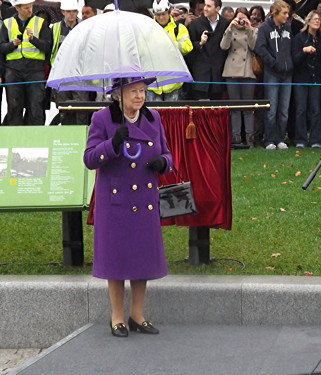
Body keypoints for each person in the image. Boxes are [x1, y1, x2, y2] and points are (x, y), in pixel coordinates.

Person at [83, 77, 173, 338]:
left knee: (141, 259)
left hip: (144, 202)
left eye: (143, 91)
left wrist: (163, 163)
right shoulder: (102, 119)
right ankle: (117, 317)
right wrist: (111, 144)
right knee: (116, 261)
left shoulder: (153, 117)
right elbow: (89, 159)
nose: (140, 96)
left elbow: (168, 154)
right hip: (116, 202)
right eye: (133, 91)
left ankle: (137, 315)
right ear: (118, 95)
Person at [0, 0, 52, 125]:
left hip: (35, 69)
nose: (30, 10)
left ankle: (37, 140)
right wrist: (12, 44)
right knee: (14, 106)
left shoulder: (41, 23)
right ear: (17, 8)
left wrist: (33, 40)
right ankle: (14, 140)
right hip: (13, 69)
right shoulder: (7, 23)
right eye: (26, 8)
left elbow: (47, 47)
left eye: (31, 7)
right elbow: (1, 48)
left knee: (36, 107)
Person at [255, 0, 293, 150]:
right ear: (275, 13)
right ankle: (269, 139)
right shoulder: (265, 28)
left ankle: (280, 138)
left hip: (287, 73)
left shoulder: (288, 27)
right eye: (284, 13)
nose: (287, 16)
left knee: (284, 110)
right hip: (272, 73)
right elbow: (260, 48)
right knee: (271, 109)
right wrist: (273, 62)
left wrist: (289, 63)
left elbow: (290, 48)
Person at [220, 7, 257, 147]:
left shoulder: (253, 30)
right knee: (235, 106)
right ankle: (236, 137)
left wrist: (248, 28)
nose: (241, 21)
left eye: (243, 18)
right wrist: (229, 28)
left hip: (247, 70)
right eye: (238, 18)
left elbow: (254, 46)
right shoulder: (230, 29)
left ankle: (250, 138)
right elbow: (223, 46)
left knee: (248, 107)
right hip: (231, 71)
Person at [50, 0, 89, 125]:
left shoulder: (85, 26)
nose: (71, 14)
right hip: (62, 73)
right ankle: (67, 135)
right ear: (62, 12)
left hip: (80, 73)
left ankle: (81, 135)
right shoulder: (55, 28)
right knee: (63, 106)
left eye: (74, 11)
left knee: (81, 105)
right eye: (68, 12)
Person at [292, 10, 321, 148]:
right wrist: (304, 51)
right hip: (301, 78)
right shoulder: (299, 38)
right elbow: (294, 59)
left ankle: (315, 139)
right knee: (300, 109)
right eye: (315, 19)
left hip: (316, 78)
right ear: (308, 21)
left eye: (319, 19)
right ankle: (300, 139)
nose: (317, 21)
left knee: (316, 109)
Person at [149, 0, 193, 101]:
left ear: (169, 12)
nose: (160, 17)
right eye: (158, 14)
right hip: (152, 82)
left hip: (173, 82)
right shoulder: (148, 28)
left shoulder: (179, 28)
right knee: (153, 115)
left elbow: (188, 47)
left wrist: (170, 45)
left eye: (163, 14)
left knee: (172, 115)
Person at [186, 0, 229, 100]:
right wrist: (200, 43)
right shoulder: (195, 24)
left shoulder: (225, 23)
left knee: (216, 109)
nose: (205, 8)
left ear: (217, 9)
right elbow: (188, 48)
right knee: (200, 110)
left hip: (218, 74)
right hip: (200, 75)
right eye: (205, 5)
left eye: (209, 6)